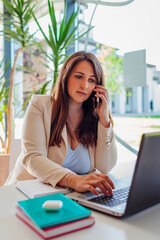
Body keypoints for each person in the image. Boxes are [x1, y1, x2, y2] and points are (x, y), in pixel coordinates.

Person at [6, 51, 117, 197]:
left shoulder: (95, 117)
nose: (84, 85)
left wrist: (104, 120)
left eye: (92, 80)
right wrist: (74, 180)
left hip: (70, 198)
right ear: (66, 77)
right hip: (25, 195)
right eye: (79, 77)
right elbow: (33, 158)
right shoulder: (40, 106)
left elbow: (105, 166)